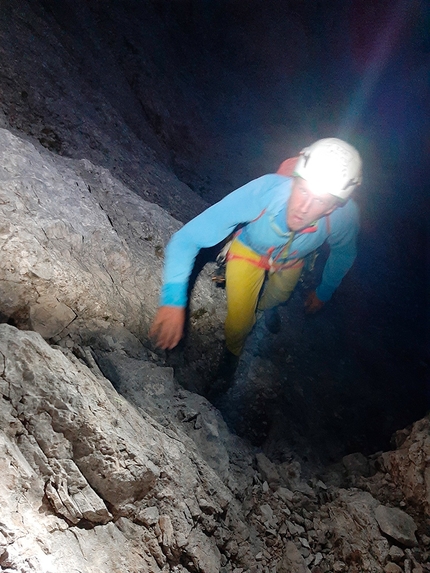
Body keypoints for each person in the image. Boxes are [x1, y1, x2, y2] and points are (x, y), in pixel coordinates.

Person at [150, 138, 362, 375]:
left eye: (320, 200)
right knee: (239, 323)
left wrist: (324, 292)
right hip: (250, 250)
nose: (304, 207)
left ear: (332, 207)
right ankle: (231, 356)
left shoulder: (343, 217)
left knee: (279, 297)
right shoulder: (265, 192)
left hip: (292, 259)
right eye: (303, 190)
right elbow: (187, 239)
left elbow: (344, 253)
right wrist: (173, 301)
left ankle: (264, 307)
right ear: (294, 181)